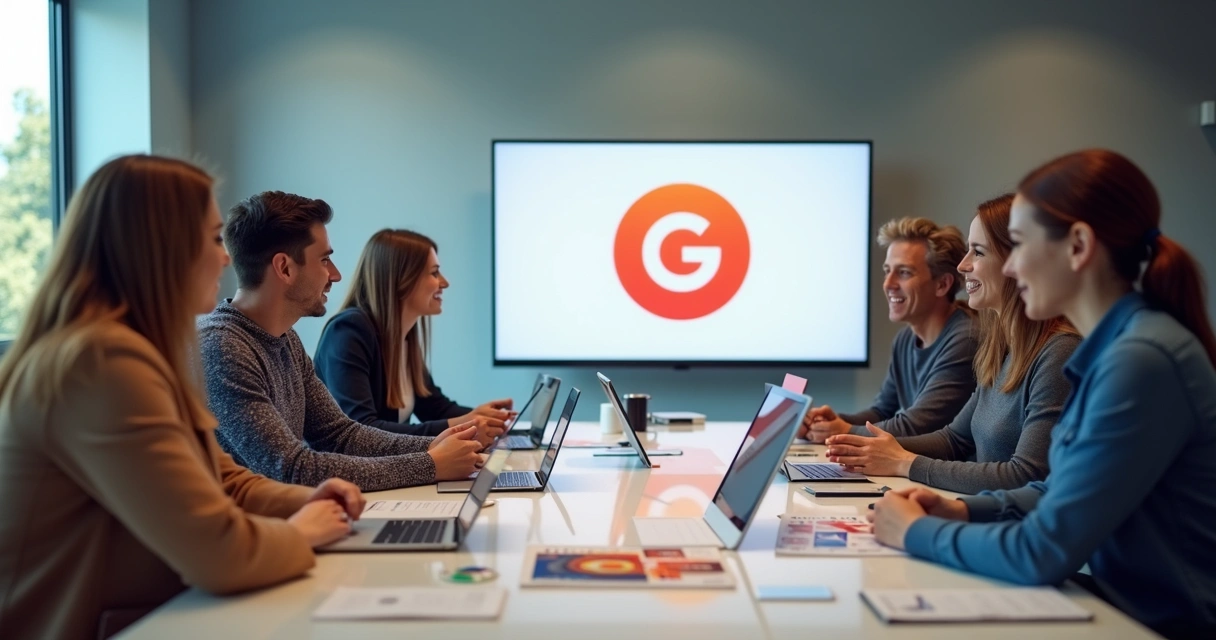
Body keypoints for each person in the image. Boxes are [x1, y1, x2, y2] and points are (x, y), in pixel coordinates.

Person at [0, 156, 362, 640]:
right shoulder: (100, 361)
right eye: (214, 239)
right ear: (160, 247)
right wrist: (302, 530)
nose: (227, 257)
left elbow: (220, 478)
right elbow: (219, 554)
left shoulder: (135, 347)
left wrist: (307, 500)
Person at [871, 150, 1216, 637]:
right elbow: (1059, 490)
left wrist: (914, 532)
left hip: (1156, 623)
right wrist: (964, 508)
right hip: (1120, 607)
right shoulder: (1112, 350)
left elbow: (1042, 551)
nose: (1010, 269)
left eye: (1020, 245)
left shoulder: (1141, 360)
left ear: (1077, 246)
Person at [199, 191, 502, 492]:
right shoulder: (223, 347)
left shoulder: (285, 338)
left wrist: (437, 446)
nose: (336, 275)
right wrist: (431, 463)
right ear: (285, 268)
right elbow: (291, 469)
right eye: (325, 260)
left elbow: (341, 435)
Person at [823, 195, 1079, 493]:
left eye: (978, 252)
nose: (963, 265)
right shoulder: (1000, 347)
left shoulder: (1059, 352)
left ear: (1017, 261)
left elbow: (1025, 476)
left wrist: (902, 462)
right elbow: (954, 439)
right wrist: (878, 451)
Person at [315, 229, 513, 436]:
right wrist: (464, 423)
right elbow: (363, 431)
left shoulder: (405, 338)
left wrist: (486, 418)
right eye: (434, 273)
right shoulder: (348, 331)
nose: (445, 283)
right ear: (401, 279)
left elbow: (435, 408)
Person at [801, 217, 978, 442]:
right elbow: (881, 411)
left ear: (942, 284)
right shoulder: (905, 338)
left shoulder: (966, 338)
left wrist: (843, 430)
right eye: (887, 271)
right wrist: (830, 423)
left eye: (904, 272)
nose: (888, 283)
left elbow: (917, 425)